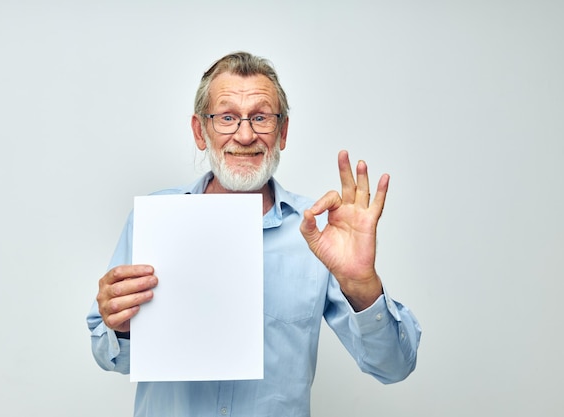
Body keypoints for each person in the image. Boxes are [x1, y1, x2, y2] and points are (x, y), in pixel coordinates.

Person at [87, 51, 421, 417]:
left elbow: (394, 367)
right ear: (201, 131)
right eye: (227, 117)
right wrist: (120, 327)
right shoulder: (153, 219)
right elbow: (110, 357)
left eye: (261, 117)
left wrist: (362, 285)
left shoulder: (318, 233)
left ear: (283, 132)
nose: (245, 135)